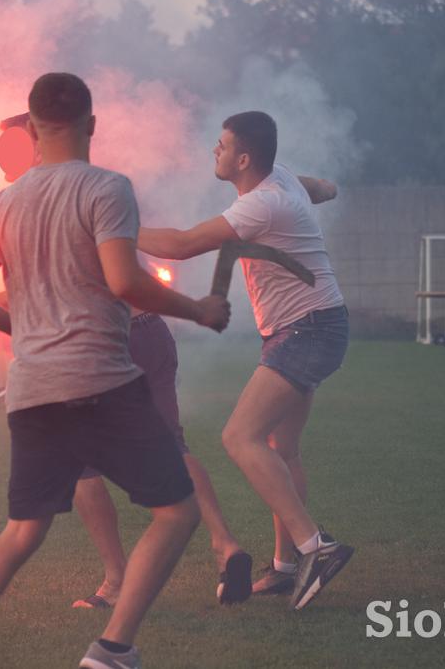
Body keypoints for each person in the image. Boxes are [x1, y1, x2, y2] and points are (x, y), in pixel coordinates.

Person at [0, 73, 230, 669]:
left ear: (32, 131)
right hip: (102, 385)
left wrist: (24, 330)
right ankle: (112, 649)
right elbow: (123, 280)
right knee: (177, 512)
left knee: (20, 533)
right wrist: (197, 309)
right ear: (92, 124)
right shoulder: (107, 188)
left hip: (33, 392)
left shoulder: (2, 205)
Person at [138, 111, 353, 611]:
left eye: (221, 145)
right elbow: (318, 186)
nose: (214, 151)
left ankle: (315, 547)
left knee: (239, 437)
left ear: (244, 159)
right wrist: (324, 188)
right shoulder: (282, 181)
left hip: (307, 330)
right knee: (284, 447)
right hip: (315, 324)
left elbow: (183, 245)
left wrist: (114, 229)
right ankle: (284, 568)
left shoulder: (264, 204)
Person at [72, 307, 254, 610]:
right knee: (171, 445)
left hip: (98, 336)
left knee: (80, 462)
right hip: (150, 329)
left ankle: (116, 580)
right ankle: (225, 544)